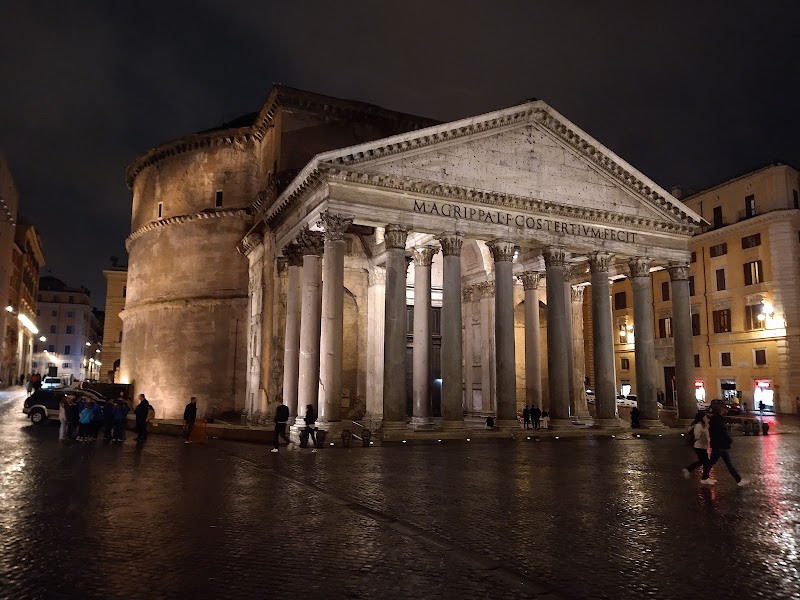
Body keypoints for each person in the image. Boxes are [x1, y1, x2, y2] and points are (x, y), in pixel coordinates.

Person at [702, 402, 747, 487]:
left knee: (712, 462)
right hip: (720, 444)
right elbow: (721, 432)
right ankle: (738, 480)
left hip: (717, 444)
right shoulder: (718, 420)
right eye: (724, 408)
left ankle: (704, 477)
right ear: (720, 410)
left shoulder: (715, 419)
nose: (726, 410)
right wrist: (728, 440)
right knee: (729, 464)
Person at [682, 411, 711, 480]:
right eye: (705, 416)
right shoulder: (698, 425)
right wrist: (703, 433)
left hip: (703, 446)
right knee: (705, 462)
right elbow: (697, 436)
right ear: (702, 417)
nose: (707, 418)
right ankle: (705, 478)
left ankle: (689, 470)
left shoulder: (704, 425)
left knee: (702, 461)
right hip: (699, 446)